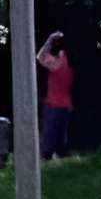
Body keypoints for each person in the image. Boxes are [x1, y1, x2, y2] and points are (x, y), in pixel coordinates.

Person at [38, 30, 75, 161]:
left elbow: (40, 57)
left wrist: (49, 39)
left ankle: (46, 157)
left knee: (48, 136)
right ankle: (61, 156)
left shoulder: (59, 63)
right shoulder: (70, 65)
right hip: (66, 104)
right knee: (61, 138)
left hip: (54, 103)